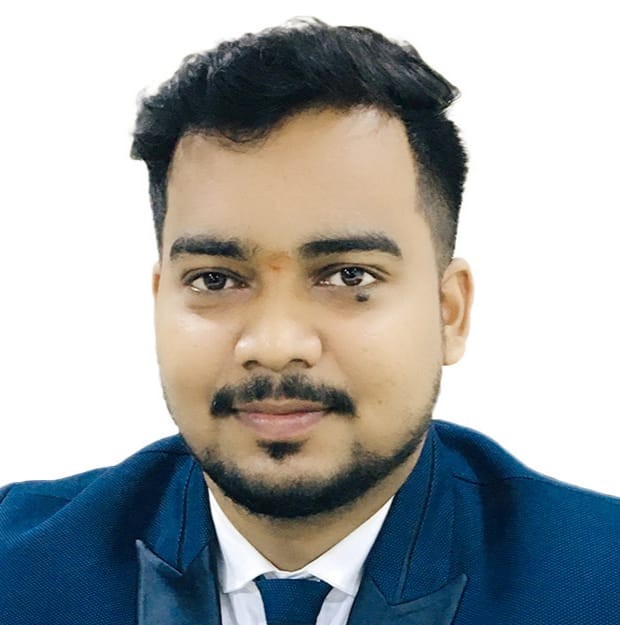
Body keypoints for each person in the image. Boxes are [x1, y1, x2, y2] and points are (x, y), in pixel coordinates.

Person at [0, 17, 618, 625]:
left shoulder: (598, 583)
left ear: (448, 312)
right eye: (215, 279)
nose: (274, 344)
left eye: (349, 276)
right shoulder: (19, 572)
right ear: (160, 300)